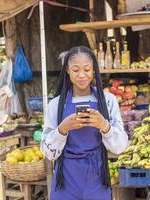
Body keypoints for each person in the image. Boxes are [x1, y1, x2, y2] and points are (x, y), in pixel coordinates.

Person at [41, 46, 128, 200]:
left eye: (87, 69)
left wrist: (105, 126)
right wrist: (62, 129)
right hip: (66, 181)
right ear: (67, 70)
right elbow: (48, 153)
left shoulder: (108, 101)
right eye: (75, 70)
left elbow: (120, 147)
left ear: (94, 70)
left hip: (97, 178)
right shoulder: (55, 105)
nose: (82, 75)